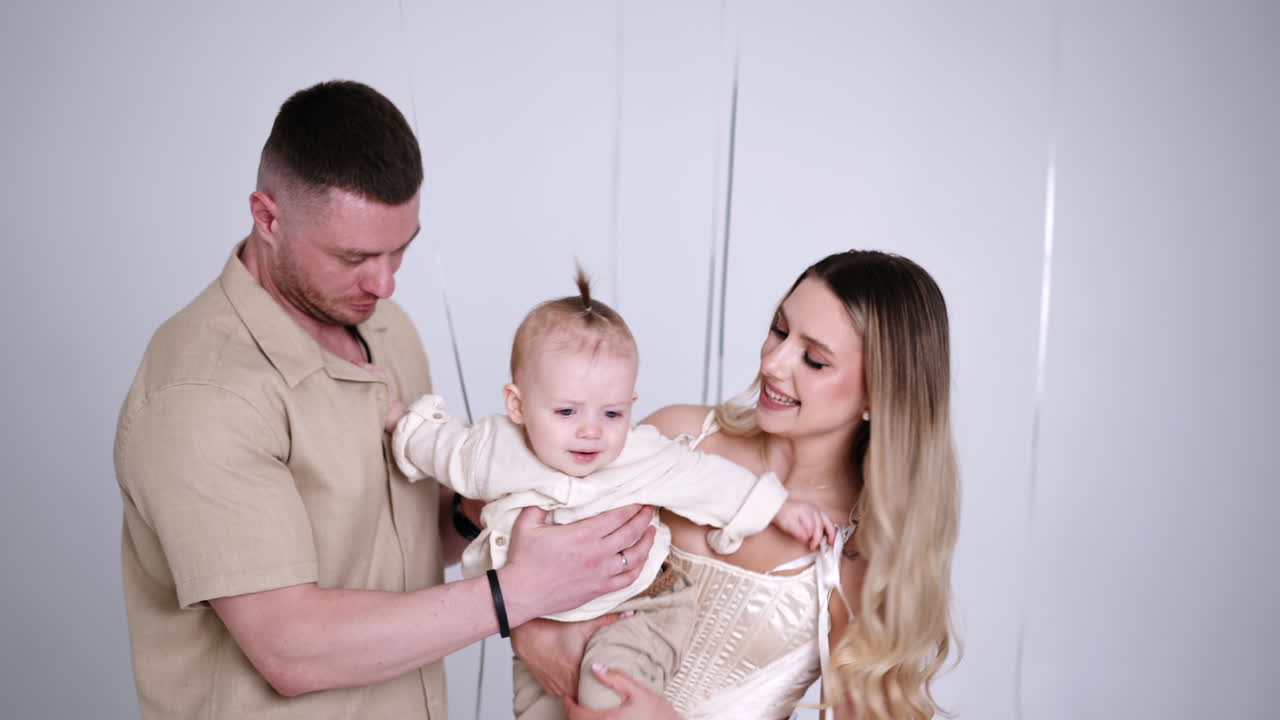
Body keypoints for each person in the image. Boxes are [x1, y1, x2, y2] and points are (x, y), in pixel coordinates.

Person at [113, 79, 655, 720]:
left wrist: (491, 506)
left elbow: (403, 535)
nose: (386, 281)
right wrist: (522, 591)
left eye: (402, 248)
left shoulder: (385, 328)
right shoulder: (202, 394)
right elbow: (290, 649)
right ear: (267, 216)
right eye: (354, 256)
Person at [517, 250, 959, 720]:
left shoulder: (862, 557)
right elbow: (535, 519)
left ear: (878, 392)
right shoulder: (676, 438)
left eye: (813, 359)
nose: (773, 364)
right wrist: (529, 630)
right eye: (778, 330)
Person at [386, 269, 839, 719]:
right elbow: (443, 449)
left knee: (606, 696)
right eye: (566, 411)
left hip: (639, 606)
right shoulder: (494, 448)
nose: (590, 431)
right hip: (539, 614)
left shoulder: (641, 453)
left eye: (612, 413)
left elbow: (708, 480)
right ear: (517, 405)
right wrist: (402, 426)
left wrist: (776, 506)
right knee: (537, 711)